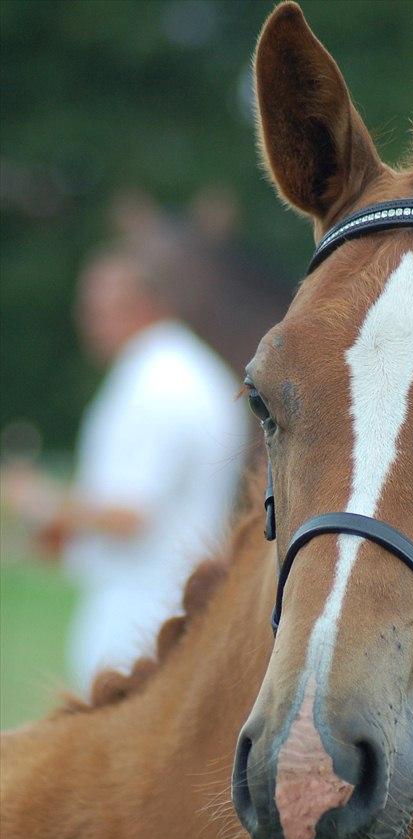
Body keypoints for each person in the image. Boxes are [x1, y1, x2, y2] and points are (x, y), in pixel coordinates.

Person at [3, 245, 249, 693]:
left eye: (96, 307)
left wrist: (33, 497)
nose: (86, 320)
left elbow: (129, 513)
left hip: (139, 613)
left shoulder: (154, 382)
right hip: (177, 603)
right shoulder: (188, 368)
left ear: (141, 303)